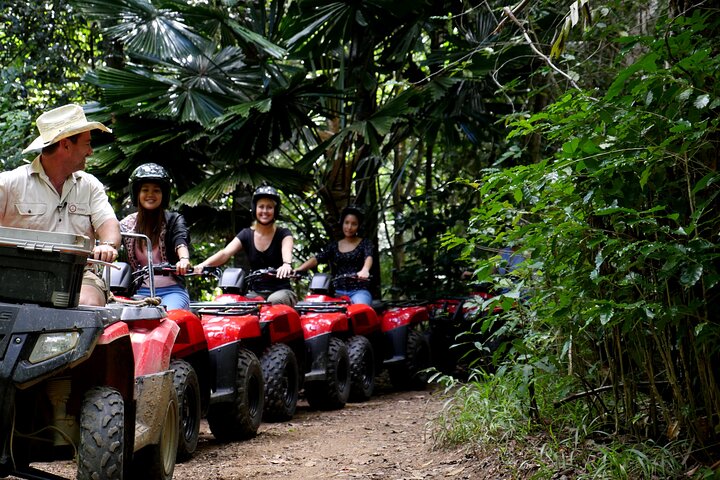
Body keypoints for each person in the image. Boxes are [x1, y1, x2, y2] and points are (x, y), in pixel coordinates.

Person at [0, 103, 120, 306]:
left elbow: (110, 226)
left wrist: (108, 245)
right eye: (87, 143)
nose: (90, 151)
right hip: (18, 274)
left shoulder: (89, 186)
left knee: (85, 302)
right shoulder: (10, 183)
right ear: (65, 145)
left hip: (80, 276)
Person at [194, 185, 296, 306]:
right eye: (261, 207)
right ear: (255, 209)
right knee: (237, 305)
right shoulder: (246, 234)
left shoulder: (283, 233)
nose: (265, 211)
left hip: (281, 291)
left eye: (269, 207)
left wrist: (286, 265)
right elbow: (225, 253)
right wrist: (202, 265)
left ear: (275, 210)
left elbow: (286, 251)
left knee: (273, 302)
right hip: (256, 292)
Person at [119, 163, 192, 310]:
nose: (150, 194)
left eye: (156, 190)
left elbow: (180, 239)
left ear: (163, 195)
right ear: (137, 193)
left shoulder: (173, 220)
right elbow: (111, 243)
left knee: (167, 318)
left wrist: (184, 259)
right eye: (145, 190)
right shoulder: (126, 225)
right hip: (139, 294)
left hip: (172, 291)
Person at [295, 205, 373, 305]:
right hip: (336, 291)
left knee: (361, 310)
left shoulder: (365, 243)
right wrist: (300, 269)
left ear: (359, 226)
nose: (349, 227)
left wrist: (365, 270)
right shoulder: (334, 246)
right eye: (346, 223)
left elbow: (368, 257)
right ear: (342, 223)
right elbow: (317, 258)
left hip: (358, 290)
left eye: (354, 224)